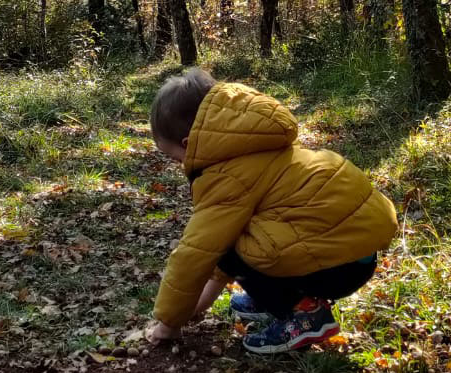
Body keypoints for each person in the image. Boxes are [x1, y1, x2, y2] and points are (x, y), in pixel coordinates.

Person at [145, 68, 397, 353]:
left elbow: (199, 252)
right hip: (356, 254)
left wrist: (169, 322)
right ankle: (277, 299)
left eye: (174, 157)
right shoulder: (256, 144)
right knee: (245, 236)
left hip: (336, 266)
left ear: (188, 145)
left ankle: (304, 313)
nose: (179, 166)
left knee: (232, 245)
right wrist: (198, 305)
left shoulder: (225, 173)